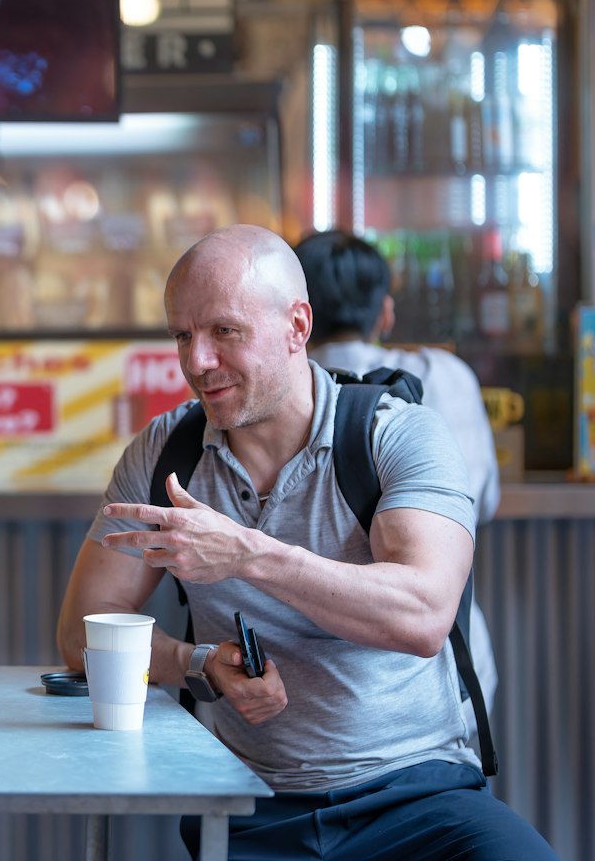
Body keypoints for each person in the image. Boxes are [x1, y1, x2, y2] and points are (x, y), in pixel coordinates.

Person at [56, 225, 555, 860]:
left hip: (421, 797)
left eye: (224, 332)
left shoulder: (396, 437)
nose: (197, 361)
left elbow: (424, 614)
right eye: (183, 335)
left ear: (297, 327)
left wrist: (246, 554)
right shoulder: (165, 455)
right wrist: (197, 663)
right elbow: (81, 632)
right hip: (251, 806)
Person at [294, 229, 499, 736]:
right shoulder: (444, 376)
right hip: (451, 664)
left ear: (296, 316)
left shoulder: (272, 391)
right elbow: (484, 500)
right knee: (447, 797)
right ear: (385, 312)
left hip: (297, 671)